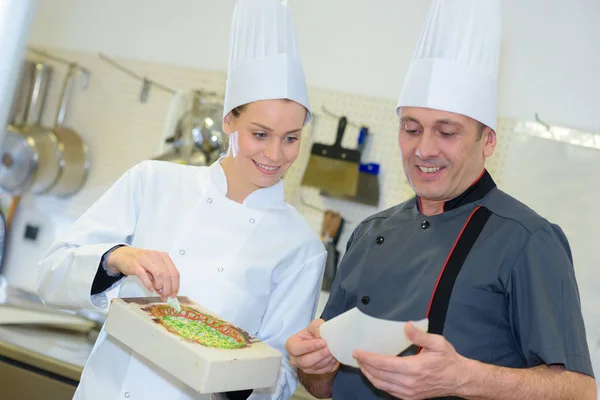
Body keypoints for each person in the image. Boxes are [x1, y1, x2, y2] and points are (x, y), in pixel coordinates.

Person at [285, 0, 597, 399]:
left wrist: (463, 378)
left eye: (447, 132)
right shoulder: (369, 233)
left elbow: (580, 391)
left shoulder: (527, 240)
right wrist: (310, 365)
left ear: (488, 140)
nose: (424, 149)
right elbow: (326, 387)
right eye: (411, 129)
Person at [37, 0, 326, 399]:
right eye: (261, 134)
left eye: (291, 138)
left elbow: (279, 380)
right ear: (230, 121)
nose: (276, 155)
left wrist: (230, 369)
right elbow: (50, 275)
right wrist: (117, 258)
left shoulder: (301, 247)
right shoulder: (153, 181)